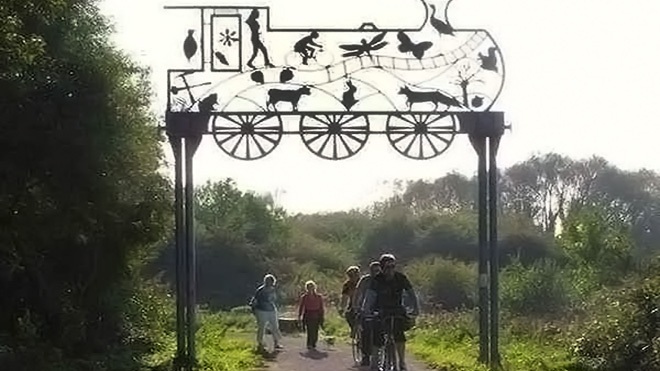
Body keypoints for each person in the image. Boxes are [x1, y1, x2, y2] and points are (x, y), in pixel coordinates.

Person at [362, 254, 419, 371]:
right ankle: (375, 363)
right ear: (382, 268)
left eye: (393, 266)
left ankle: (402, 362)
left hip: (397, 309)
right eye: (388, 267)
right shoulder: (377, 280)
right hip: (380, 310)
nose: (391, 270)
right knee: (377, 333)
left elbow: (411, 293)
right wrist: (367, 310)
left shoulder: (401, 278)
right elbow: (369, 297)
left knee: (399, 335)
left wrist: (416, 308)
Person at [353, 261, 382, 366]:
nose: (376, 273)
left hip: (379, 308)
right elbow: (358, 293)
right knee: (366, 331)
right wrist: (356, 306)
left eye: (378, 270)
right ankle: (365, 356)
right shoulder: (365, 280)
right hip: (365, 308)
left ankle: (380, 354)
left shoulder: (383, 280)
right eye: (374, 271)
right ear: (370, 271)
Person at [249, 274, 283, 351]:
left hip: (271, 309)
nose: (269, 283)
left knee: (275, 326)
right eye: (267, 281)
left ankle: (276, 342)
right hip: (261, 310)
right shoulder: (260, 290)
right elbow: (255, 301)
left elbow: (275, 299)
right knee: (261, 327)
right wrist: (254, 310)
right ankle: (260, 343)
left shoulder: (273, 289)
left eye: (270, 281)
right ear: (265, 281)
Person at [297, 280, 325, 350]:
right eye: (309, 287)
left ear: (314, 287)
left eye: (311, 287)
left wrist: (322, 316)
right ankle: (309, 343)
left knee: (315, 330)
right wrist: (299, 316)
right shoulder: (304, 297)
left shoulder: (319, 297)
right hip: (308, 314)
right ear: (307, 288)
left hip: (316, 314)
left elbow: (321, 307)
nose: (310, 288)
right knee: (309, 330)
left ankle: (313, 343)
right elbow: (301, 307)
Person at [340, 265, 361, 336]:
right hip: (353, 304)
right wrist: (342, 308)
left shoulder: (363, 282)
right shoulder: (347, 285)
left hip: (364, 303)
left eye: (355, 275)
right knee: (348, 314)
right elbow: (344, 297)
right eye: (350, 276)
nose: (353, 277)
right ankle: (353, 328)